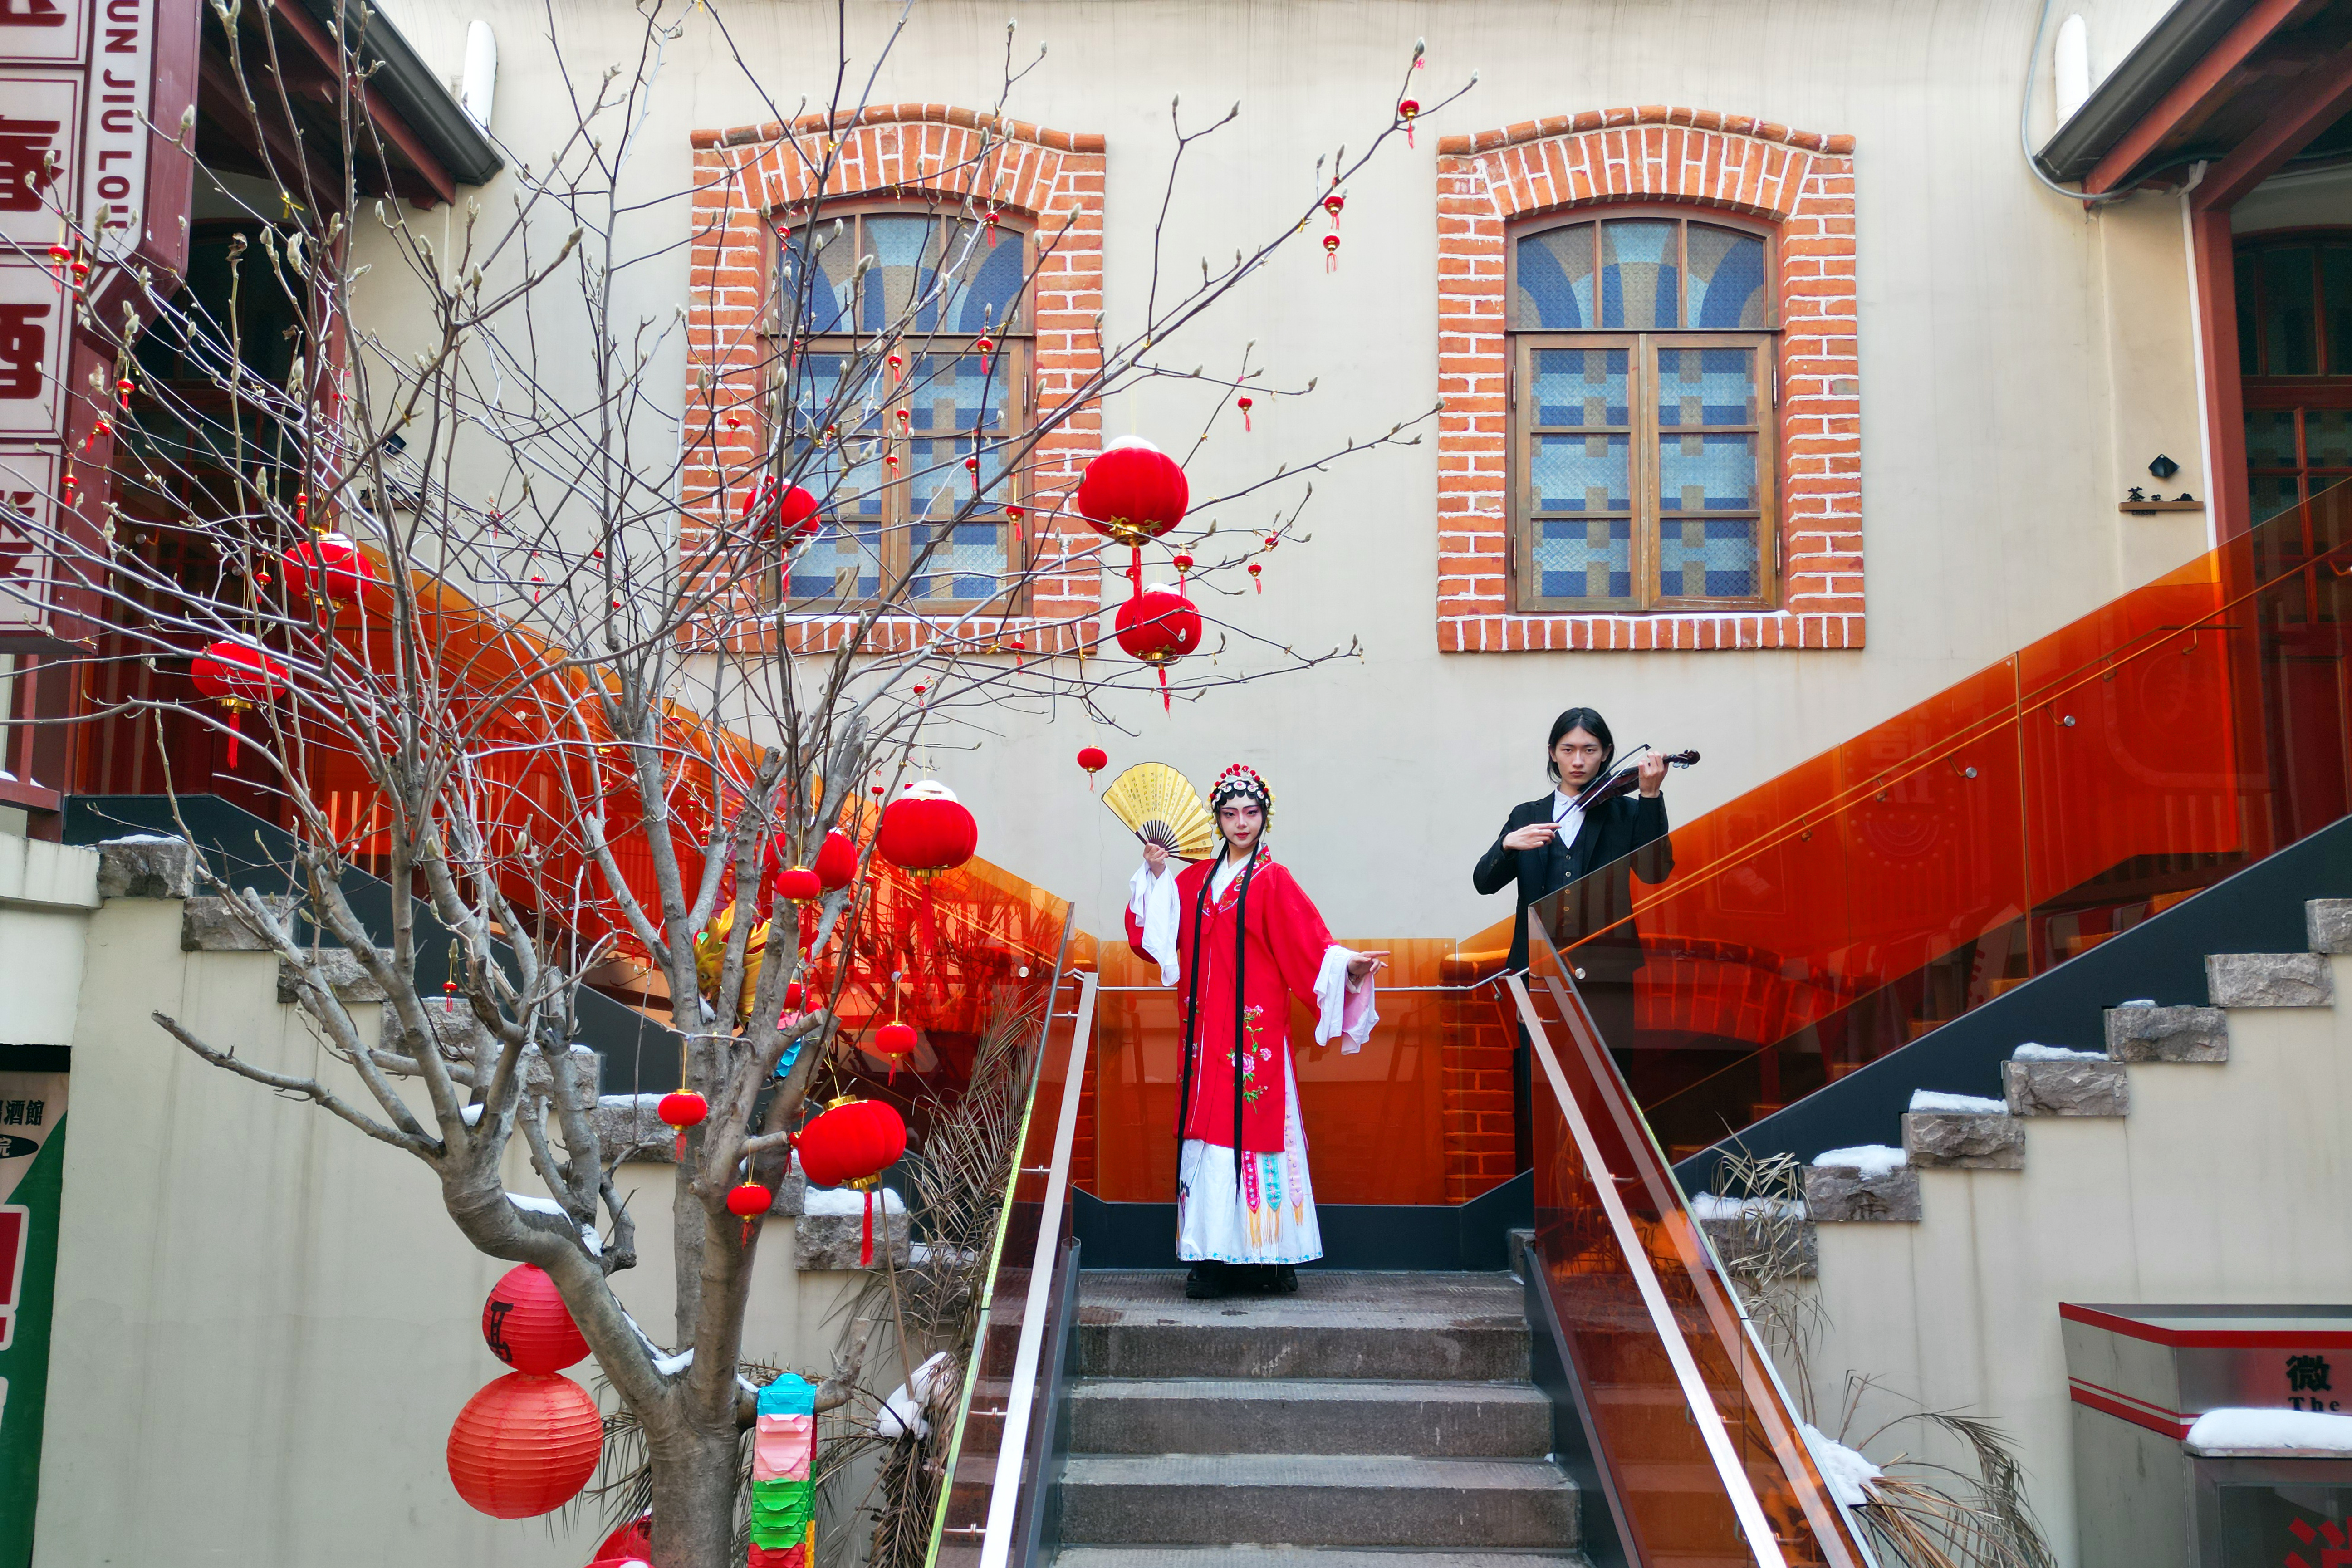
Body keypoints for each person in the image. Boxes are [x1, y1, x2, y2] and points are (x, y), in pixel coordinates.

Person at [1125, 764, 1382, 1299]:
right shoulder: (1191, 881)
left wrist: (1347, 967)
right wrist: (1153, 875)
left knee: (1263, 1136)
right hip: (1204, 1033)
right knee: (1209, 1140)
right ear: (1217, 821)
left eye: (1251, 812)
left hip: (1254, 1036)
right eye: (1230, 813)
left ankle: (1269, 1258)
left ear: (1266, 816)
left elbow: (1312, 945)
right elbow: (1153, 938)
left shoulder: (1273, 880)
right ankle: (1211, 1260)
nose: (1241, 823)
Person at [1472, 708, 1673, 1165]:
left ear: (1605, 756)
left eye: (1589, 750)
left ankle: (1609, 1189)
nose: (1578, 760)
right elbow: (1484, 882)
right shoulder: (1527, 815)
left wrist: (1650, 795)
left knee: (1609, 1084)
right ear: (1552, 754)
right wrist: (1507, 846)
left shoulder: (1625, 810)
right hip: (1537, 972)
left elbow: (1655, 871)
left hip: (1608, 970)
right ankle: (1540, 1190)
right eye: (1568, 750)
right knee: (1538, 1084)